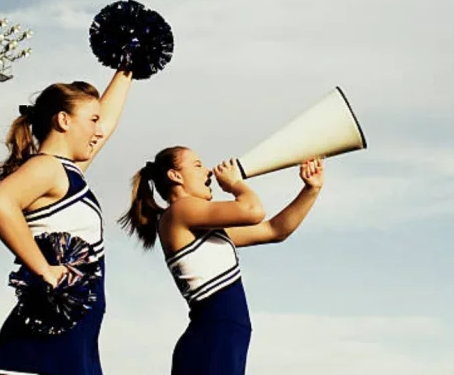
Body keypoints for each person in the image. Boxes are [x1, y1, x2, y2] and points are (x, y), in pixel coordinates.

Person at [118, 146, 324, 375]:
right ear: (175, 176)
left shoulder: (199, 223)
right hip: (211, 342)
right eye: (197, 165)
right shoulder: (180, 211)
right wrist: (234, 183)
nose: (208, 171)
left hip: (222, 342)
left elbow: (274, 230)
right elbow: (253, 210)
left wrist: (310, 190)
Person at [0, 69, 133, 375]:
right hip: (43, 344)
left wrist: (129, 67)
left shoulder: (67, 172)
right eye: (92, 120)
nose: (98, 130)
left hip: (76, 335)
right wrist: (44, 269)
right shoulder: (47, 167)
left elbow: (108, 123)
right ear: (64, 120)